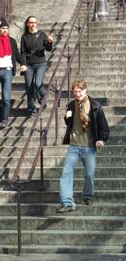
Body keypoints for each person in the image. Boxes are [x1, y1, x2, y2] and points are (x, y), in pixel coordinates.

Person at [58, 80, 110, 213]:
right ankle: (68, 202)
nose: (77, 94)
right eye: (75, 92)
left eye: (79, 92)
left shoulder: (95, 106)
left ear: (85, 90)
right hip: (74, 146)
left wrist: (101, 140)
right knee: (66, 172)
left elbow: (103, 126)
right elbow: (70, 122)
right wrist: (66, 117)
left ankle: (87, 196)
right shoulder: (71, 105)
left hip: (89, 146)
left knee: (89, 173)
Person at [20, 16, 53, 117]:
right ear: (27, 24)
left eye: (34, 22)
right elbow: (23, 52)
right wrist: (23, 64)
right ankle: (31, 109)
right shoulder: (24, 36)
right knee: (29, 87)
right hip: (29, 65)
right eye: (31, 22)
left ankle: (42, 98)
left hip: (40, 63)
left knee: (38, 83)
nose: (33, 24)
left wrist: (49, 42)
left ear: (36, 24)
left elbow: (48, 49)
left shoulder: (42, 34)